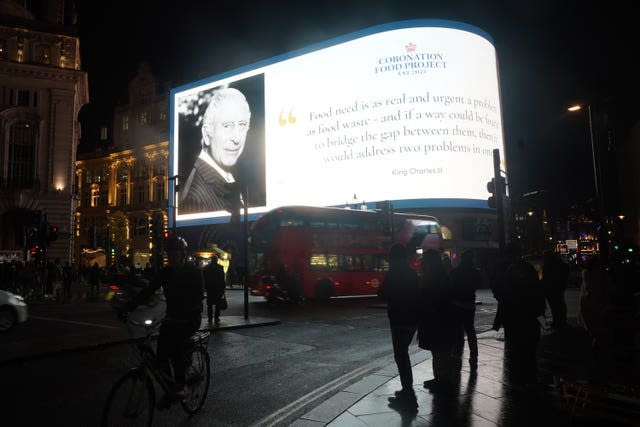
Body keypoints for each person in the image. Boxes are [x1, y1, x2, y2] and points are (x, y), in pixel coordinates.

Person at [119, 236, 204, 399]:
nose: (171, 257)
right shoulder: (166, 272)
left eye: (175, 253)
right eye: (169, 254)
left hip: (190, 318)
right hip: (172, 318)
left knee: (175, 343)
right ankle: (170, 386)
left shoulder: (193, 271)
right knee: (161, 354)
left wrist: (187, 309)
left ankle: (181, 386)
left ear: (183, 254)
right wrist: (127, 307)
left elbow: (199, 296)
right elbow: (148, 291)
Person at [179, 87, 251, 217]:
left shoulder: (230, 175)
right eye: (227, 126)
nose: (236, 138)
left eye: (242, 125)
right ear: (207, 134)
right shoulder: (195, 198)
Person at [378, 243, 421, 408]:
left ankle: (408, 393)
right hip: (412, 320)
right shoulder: (412, 273)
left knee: (401, 355)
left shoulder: (393, 273)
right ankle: (407, 390)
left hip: (398, 319)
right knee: (403, 353)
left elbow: (382, 293)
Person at [499, 243, 546, 389]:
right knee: (528, 349)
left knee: (518, 349)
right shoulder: (527, 268)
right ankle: (529, 376)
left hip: (517, 315)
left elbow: (508, 292)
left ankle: (521, 377)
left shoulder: (513, 270)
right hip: (527, 315)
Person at [418, 249, 464, 394]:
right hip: (438, 320)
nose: (421, 263)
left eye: (424, 260)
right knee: (438, 352)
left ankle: (442, 380)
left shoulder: (435, 278)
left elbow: (436, 299)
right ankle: (440, 378)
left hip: (438, 320)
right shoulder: (438, 275)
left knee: (440, 352)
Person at [450, 249, 482, 371]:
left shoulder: (456, 272)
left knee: (458, 331)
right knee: (470, 331)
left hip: (457, 304)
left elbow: (452, 287)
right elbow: (478, 284)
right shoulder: (474, 272)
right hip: (470, 305)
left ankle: (457, 354)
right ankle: (474, 355)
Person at [541, 250, 569, 330]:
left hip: (551, 289)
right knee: (559, 305)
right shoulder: (559, 265)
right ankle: (561, 321)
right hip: (557, 288)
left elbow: (545, 278)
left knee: (555, 306)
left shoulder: (548, 266)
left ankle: (558, 322)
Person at [203, 256, 226, 323]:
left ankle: (210, 318)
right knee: (217, 305)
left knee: (209, 305)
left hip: (210, 289)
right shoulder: (220, 267)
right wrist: (223, 288)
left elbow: (205, 278)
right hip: (218, 288)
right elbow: (222, 279)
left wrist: (205, 287)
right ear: (216, 260)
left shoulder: (206, 268)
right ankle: (216, 318)